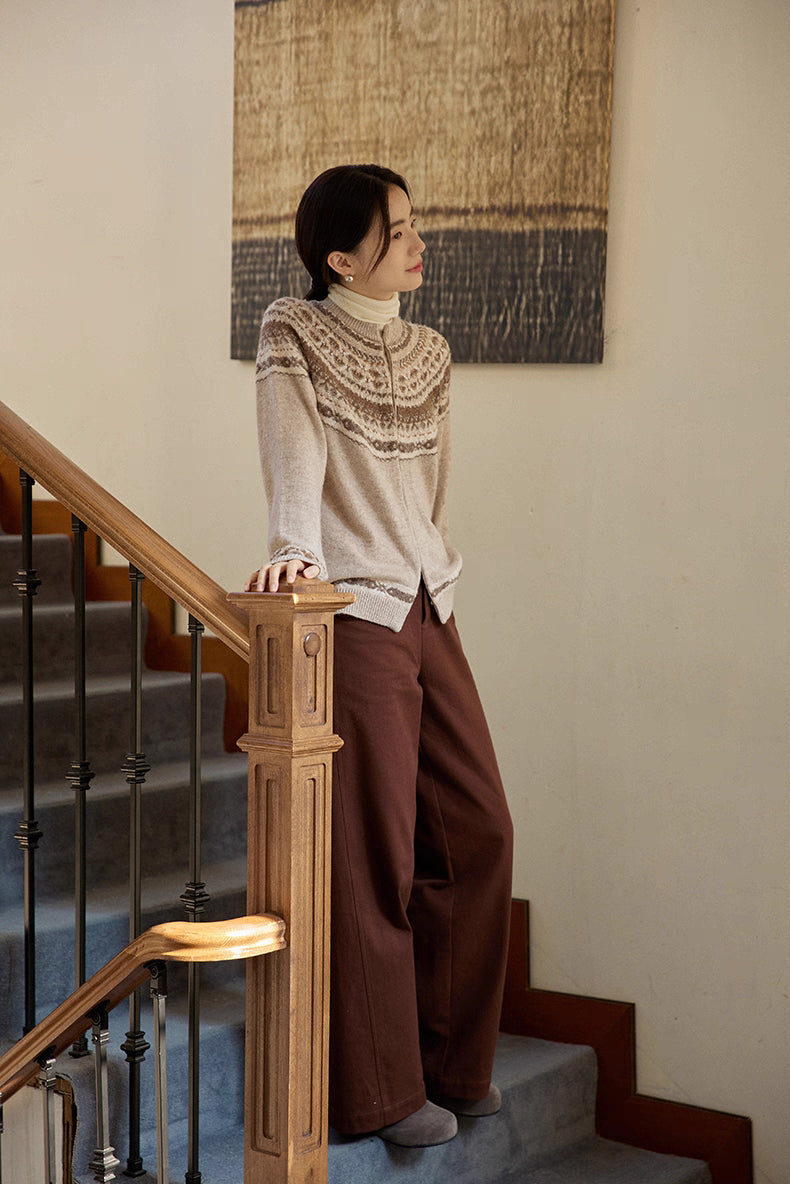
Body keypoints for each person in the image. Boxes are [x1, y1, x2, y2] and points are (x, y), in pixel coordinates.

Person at [245, 164, 513, 1147]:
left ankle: (453, 1062)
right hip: (350, 606)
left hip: (427, 600)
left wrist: (433, 570)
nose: (415, 242)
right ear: (340, 256)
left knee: (479, 830)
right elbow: (294, 450)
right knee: (371, 854)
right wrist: (293, 550)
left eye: (413, 224)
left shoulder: (433, 350)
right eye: (396, 230)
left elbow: (431, 487)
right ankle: (380, 1092)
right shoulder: (293, 328)